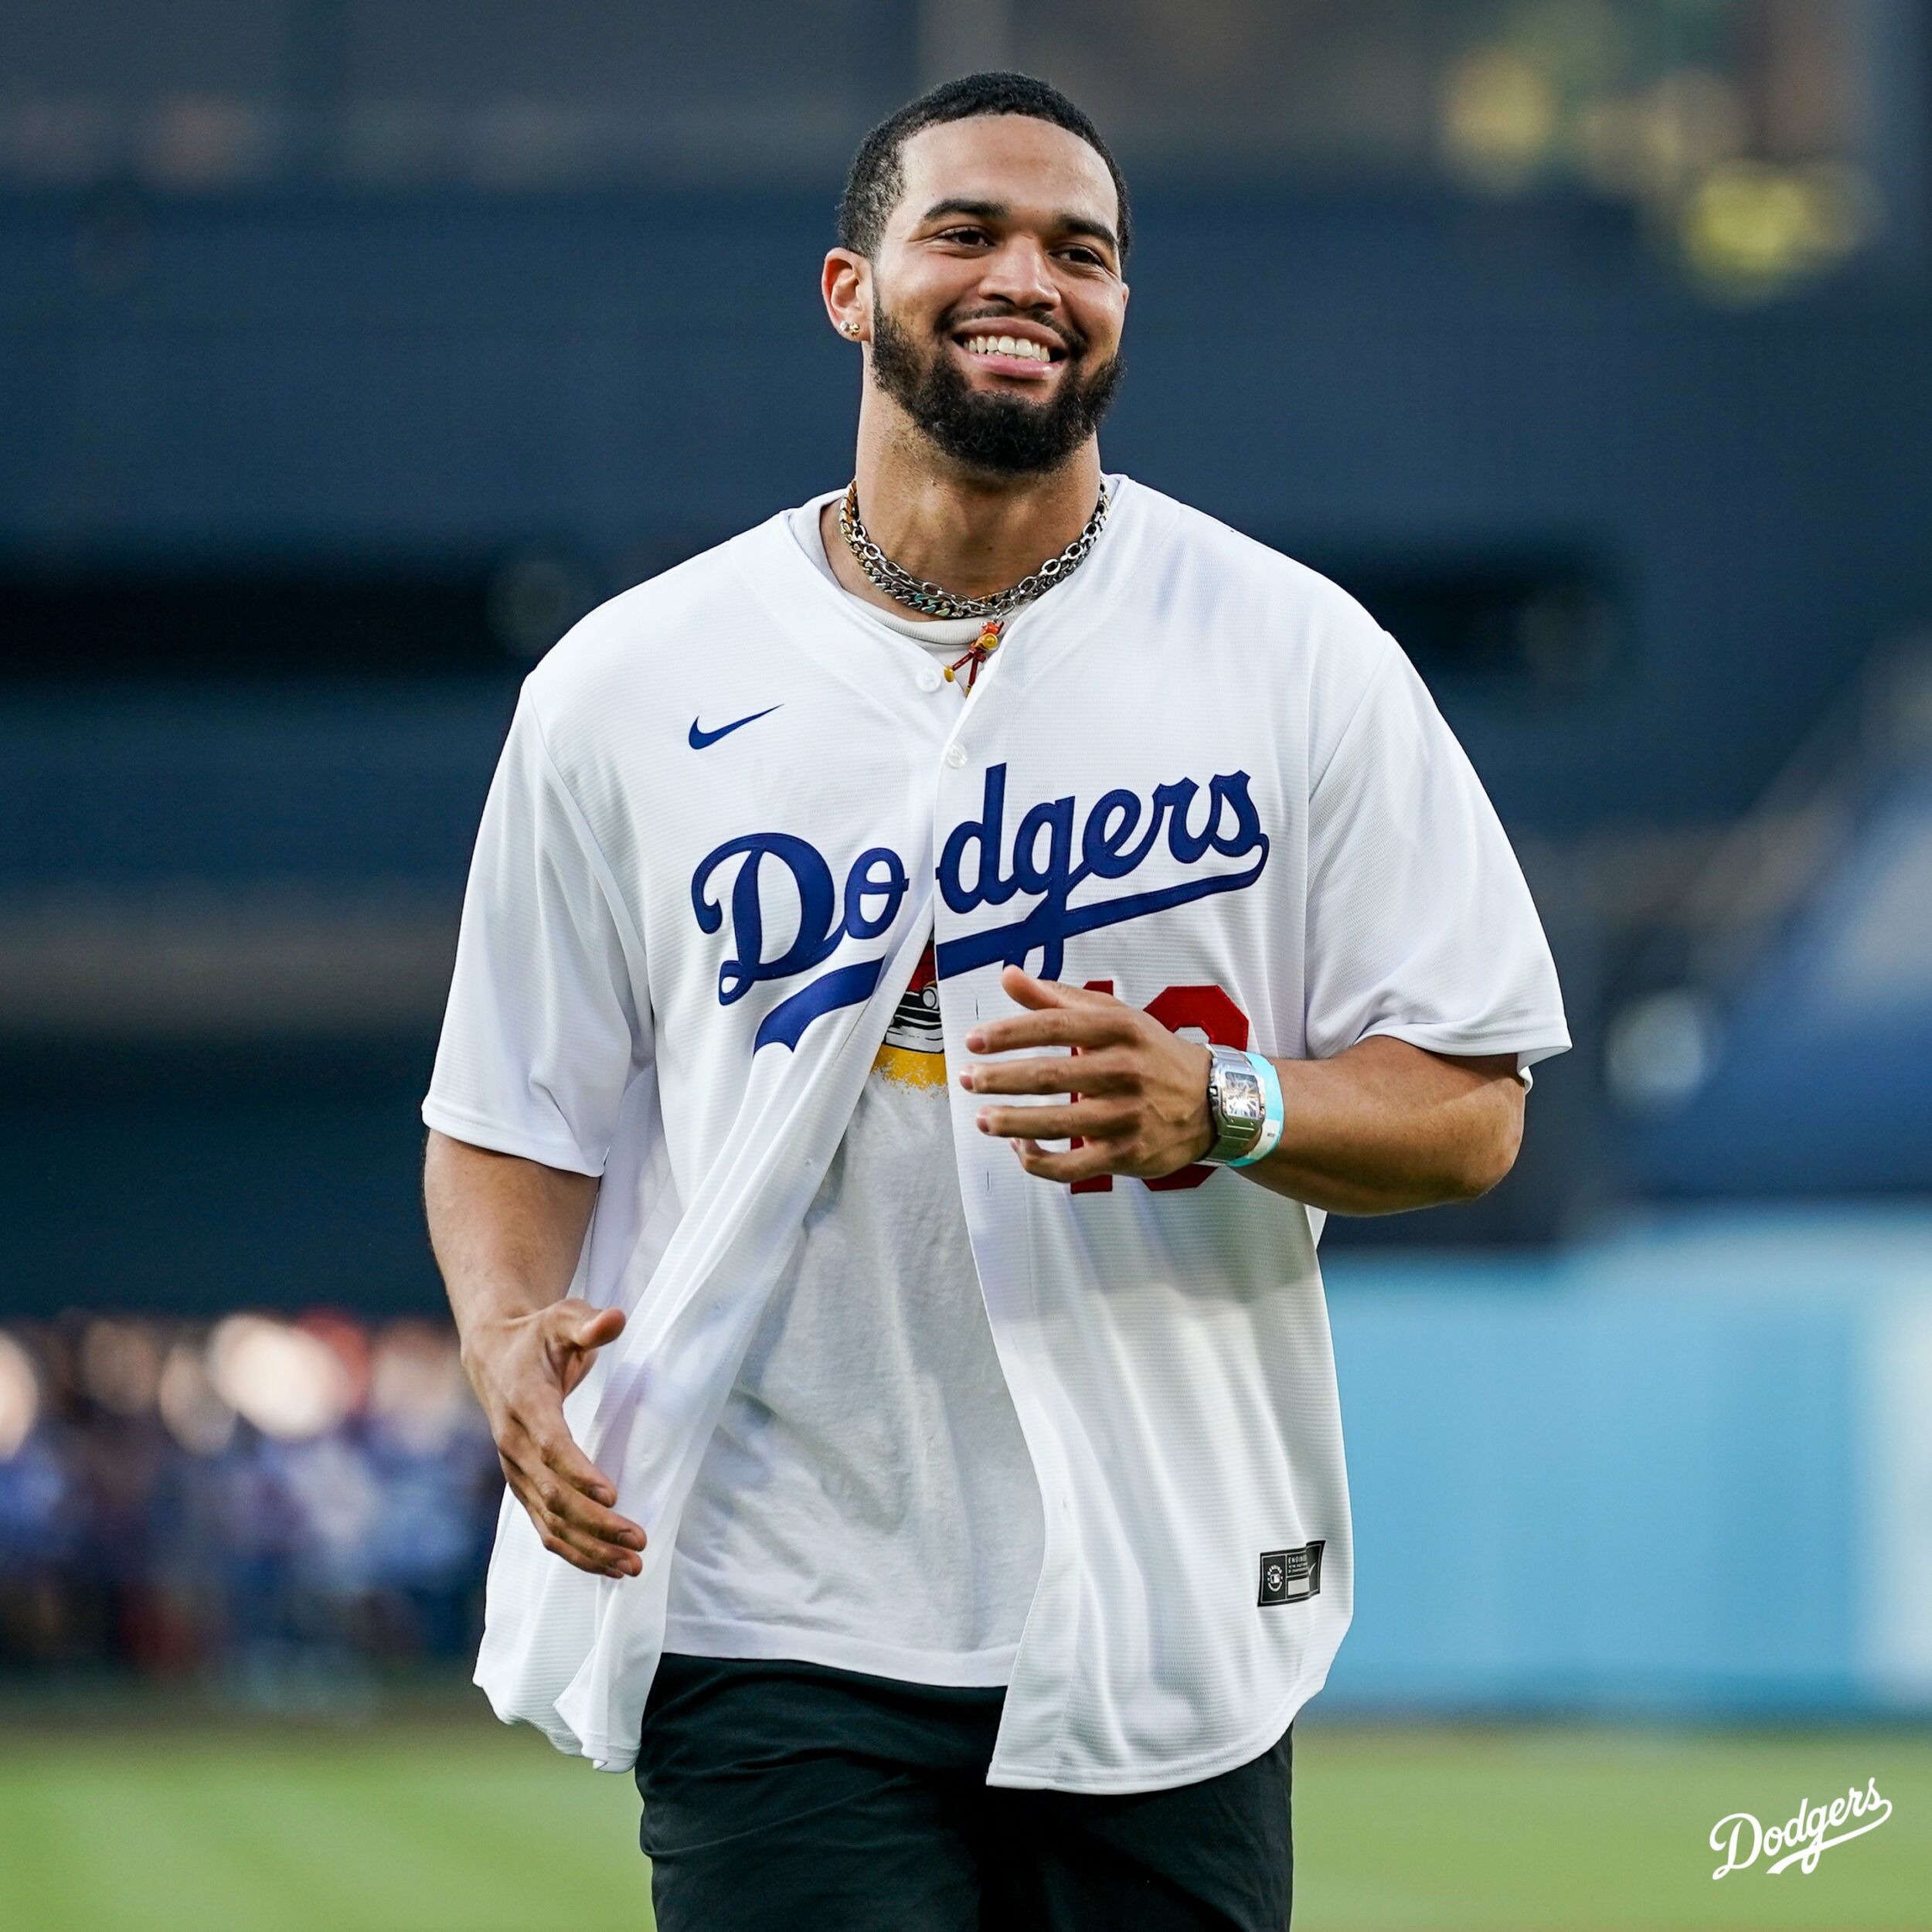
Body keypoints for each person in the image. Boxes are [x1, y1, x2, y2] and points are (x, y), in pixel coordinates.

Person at [422, 70, 1568, 1932]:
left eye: (1080, 249)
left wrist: (1232, 1108)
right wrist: (497, 1333)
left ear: (1119, 311)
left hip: (1159, 1601)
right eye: (965, 230)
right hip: (768, 1605)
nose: (1026, 274)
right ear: (847, 288)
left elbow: (1472, 1095)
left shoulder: (1292, 654)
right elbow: (505, 1112)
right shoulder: (625, 686)